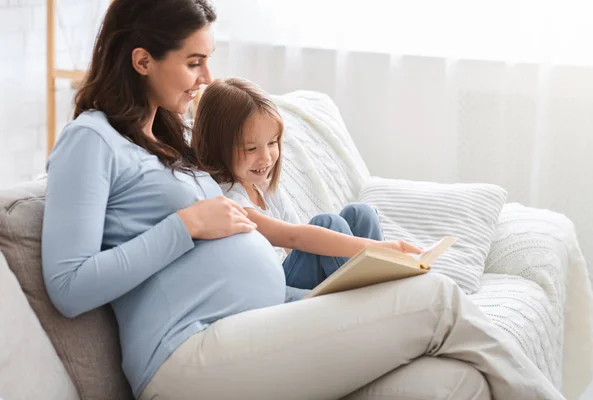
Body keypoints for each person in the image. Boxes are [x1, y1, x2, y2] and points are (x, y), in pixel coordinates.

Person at [41, 0, 565, 399]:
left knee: (449, 376)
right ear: (141, 60)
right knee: (438, 301)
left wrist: (372, 265)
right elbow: (68, 285)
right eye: (194, 62)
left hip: (259, 327)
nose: (206, 78)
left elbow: (279, 239)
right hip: (185, 356)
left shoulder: (169, 143)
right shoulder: (91, 141)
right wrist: (185, 226)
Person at [191, 77, 422, 293]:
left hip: (296, 274)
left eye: (272, 143)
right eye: (251, 148)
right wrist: (378, 248)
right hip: (277, 288)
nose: (266, 157)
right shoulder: (228, 200)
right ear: (217, 147)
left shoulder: (265, 187)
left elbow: (294, 248)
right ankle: (373, 297)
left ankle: (384, 282)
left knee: (359, 213)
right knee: (327, 223)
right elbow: (293, 237)